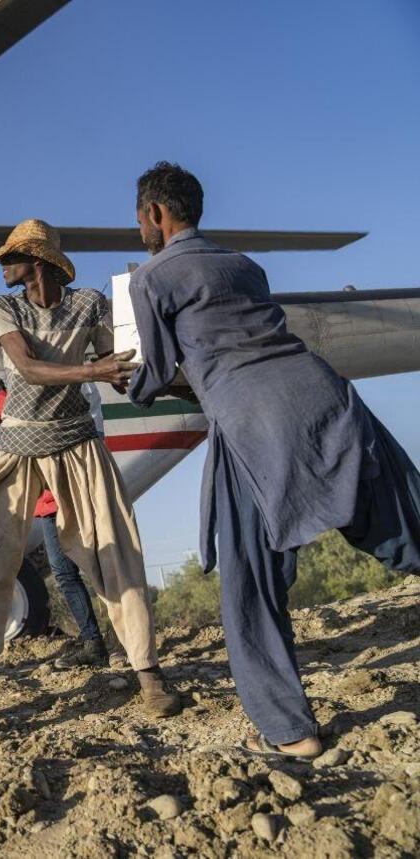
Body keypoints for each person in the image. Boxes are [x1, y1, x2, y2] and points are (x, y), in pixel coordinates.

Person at [126, 162, 420, 760]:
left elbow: (154, 373)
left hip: (253, 424)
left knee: (251, 582)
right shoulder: (245, 265)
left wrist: (119, 378)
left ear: (155, 213)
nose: (140, 231)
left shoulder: (151, 277)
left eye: (139, 220)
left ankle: (292, 732)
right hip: (327, 396)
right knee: (406, 524)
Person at [0, 218, 180, 727]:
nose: (2, 268)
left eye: (10, 258)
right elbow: (28, 368)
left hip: (76, 442)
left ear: (37, 261)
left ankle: (149, 673)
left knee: (117, 553)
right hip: (19, 446)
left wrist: (127, 372)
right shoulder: (4, 308)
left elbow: (113, 360)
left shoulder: (89, 304)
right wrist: (95, 371)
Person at [0, 382, 107, 668]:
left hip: (64, 493)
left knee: (75, 571)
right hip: (56, 496)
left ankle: (100, 642)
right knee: (78, 570)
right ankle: (101, 641)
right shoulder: (71, 380)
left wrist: (0, 403)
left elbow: (41, 418)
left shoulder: (67, 382)